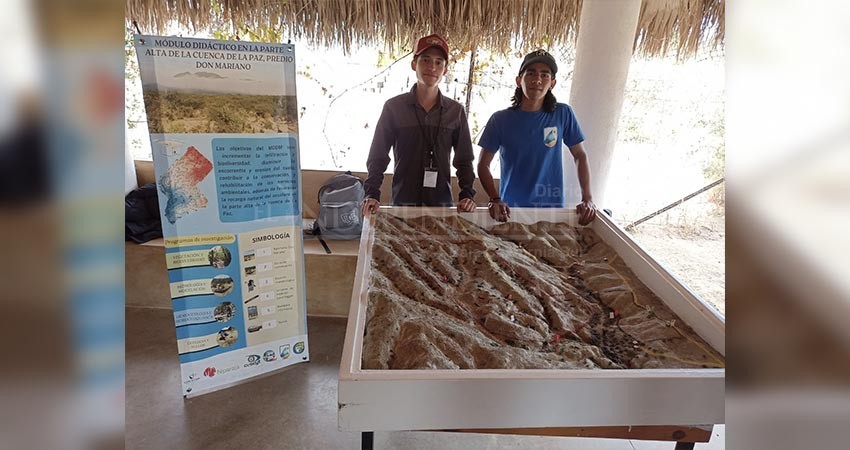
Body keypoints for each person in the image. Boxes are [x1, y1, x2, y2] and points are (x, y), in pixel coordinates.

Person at [477, 49, 596, 225]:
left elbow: (580, 155)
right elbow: (483, 165)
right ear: (519, 80)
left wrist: (587, 198)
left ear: (552, 83)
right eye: (530, 73)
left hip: (552, 213)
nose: (537, 80)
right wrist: (495, 199)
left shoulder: (563, 114)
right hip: (511, 213)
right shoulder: (500, 119)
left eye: (544, 75)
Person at [361, 34, 476, 216]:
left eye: (439, 62)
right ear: (414, 64)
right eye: (425, 60)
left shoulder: (456, 111)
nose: (432, 67)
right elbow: (378, 155)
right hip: (402, 204)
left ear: (445, 70)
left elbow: (464, 160)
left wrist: (467, 194)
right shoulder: (394, 108)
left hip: (442, 206)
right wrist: (372, 193)